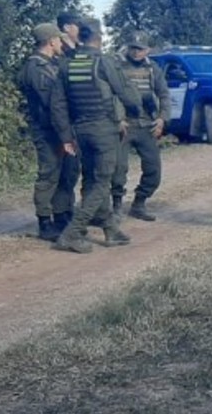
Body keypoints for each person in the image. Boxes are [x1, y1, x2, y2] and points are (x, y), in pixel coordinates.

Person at [49, 17, 131, 253]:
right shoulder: (104, 62)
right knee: (102, 181)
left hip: (80, 131)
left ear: (82, 37)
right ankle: (72, 233)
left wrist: (66, 136)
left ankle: (109, 228)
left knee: (92, 178)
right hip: (103, 128)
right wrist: (136, 109)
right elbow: (125, 92)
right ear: (99, 38)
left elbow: (58, 104)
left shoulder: (66, 64)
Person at [18, 22, 79, 241]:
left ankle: (62, 213)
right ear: (51, 41)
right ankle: (45, 221)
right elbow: (50, 100)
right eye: (58, 39)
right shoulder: (36, 68)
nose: (61, 43)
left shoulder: (53, 63)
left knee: (68, 172)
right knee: (49, 174)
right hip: (47, 129)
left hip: (61, 128)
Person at [111, 30, 171, 221]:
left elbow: (164, 95)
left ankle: (139, 204)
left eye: (141, 49)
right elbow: (110, 95)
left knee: (154, 170)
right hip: (124, 125)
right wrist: (117, 119)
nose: (136, 52)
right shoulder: (116, 67)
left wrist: (162, 119)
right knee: (118, 169)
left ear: (148, 50)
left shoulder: (153, 68)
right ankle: (116, 206)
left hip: (147, 124)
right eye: (133, 48)